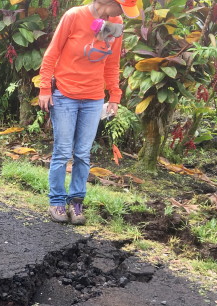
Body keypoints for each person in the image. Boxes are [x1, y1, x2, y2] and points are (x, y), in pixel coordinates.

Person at [38, 0, 140, 224]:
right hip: (65, 94)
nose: (121, 13)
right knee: (63, 151)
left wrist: (114, 94)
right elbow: (52, 53)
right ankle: (56, 201)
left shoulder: (116, 23)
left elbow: (112, 63)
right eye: (121, 7)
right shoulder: (74, 16)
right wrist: (45, 88)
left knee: (83, 154)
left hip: (93, 98)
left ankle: (76, 203)